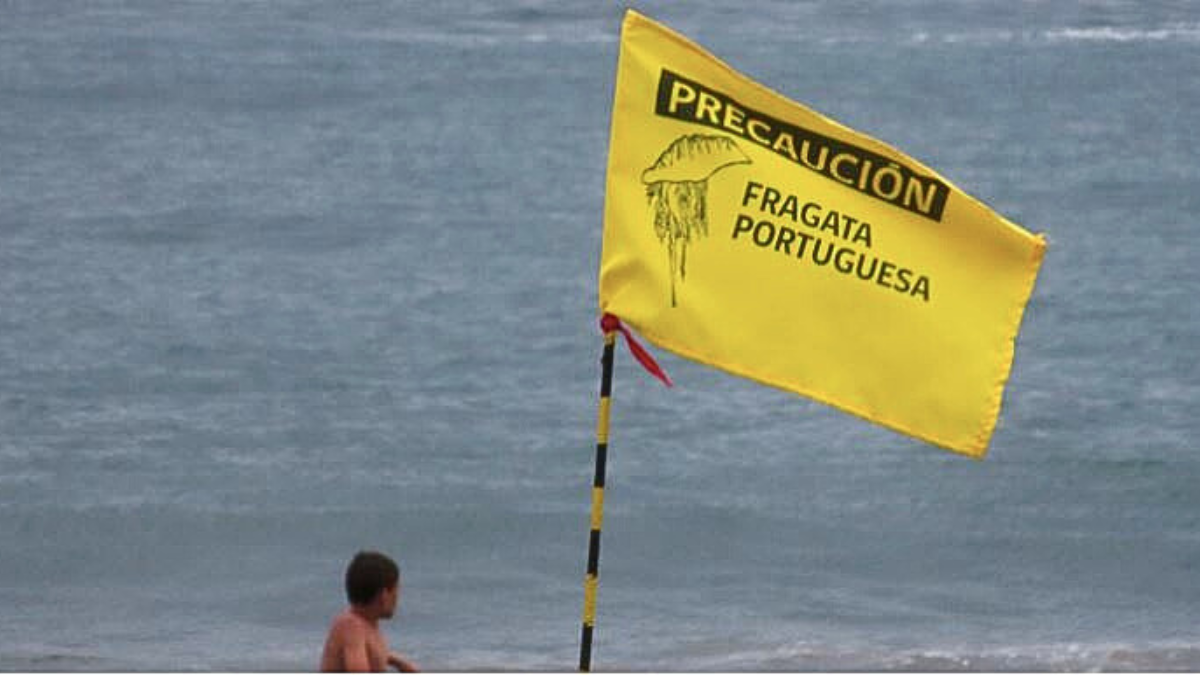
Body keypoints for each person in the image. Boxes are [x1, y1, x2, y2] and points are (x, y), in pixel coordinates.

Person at [321, 551, 420, 672]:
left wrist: (397, 662)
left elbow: (370, 651)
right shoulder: (351, 626)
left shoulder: (367, 625)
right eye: (395, 593)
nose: (397, 601)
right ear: (384, 596)